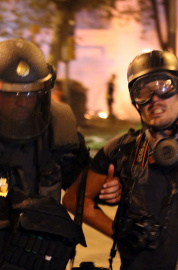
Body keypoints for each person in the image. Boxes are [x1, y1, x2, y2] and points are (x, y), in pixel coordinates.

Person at [63, 50, 178, 269]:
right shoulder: (121, 149)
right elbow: (74, 199)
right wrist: (119, 232)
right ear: (135, 102)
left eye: (164, 87)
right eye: (143, 92)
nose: (154, 99)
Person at [0, 38, 120, 270]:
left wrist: (109, 190)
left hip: (38, 257)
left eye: (30, 94)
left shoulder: (59, 129)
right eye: (12, 95)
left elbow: (81, 189)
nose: (23, 103)